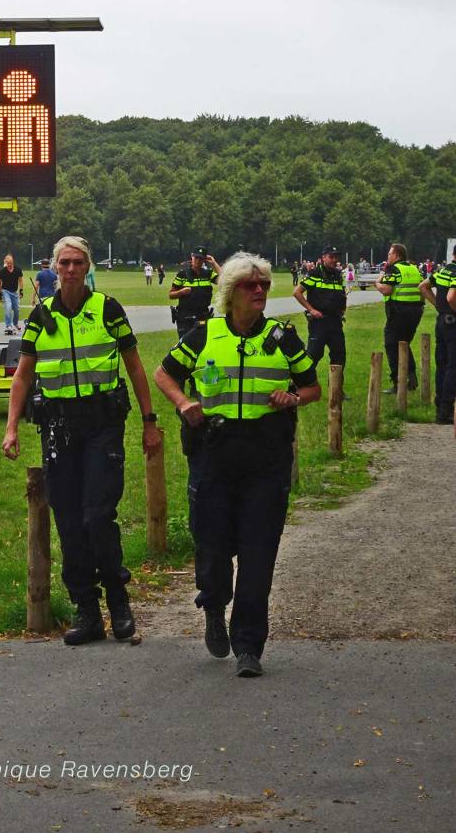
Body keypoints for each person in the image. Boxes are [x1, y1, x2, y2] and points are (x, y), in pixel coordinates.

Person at [153, 252, 319, 677]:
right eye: (250, 285)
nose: (260, 291)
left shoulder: (283, 337)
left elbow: (312, 387)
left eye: (263, 284)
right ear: (231, 293)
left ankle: (249, 646)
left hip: (266, 456)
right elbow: (164, 374)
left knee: (258, 551)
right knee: (211, 545)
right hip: (215, 452)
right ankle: (213, 605)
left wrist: (293, 398)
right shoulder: (204, 335)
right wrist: (185, 403)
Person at [3, 235, 162, 645]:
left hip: (101, 428)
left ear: (87, 267)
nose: (70, 270)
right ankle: (86, 609)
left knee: (98, 516)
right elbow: (22, 375)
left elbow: (135, 367)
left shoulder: (107, 309)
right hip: (59, 430)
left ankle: (117, 600)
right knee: (69, 521)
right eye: (64, 263)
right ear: (54, 268)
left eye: (77, 263)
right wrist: (11, 427)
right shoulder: (40, 316)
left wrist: (149, 421)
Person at [293, 244, 347, 387]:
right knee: (314, 355)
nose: (334, 260)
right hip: (319, 323)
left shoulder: (337, 274)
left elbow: (342, 294)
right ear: (323, 258)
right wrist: (311, 310)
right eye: (331, 257)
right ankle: (301, 384)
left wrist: (343, 308)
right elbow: (297, 293)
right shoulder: (315, 273)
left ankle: (336, 389)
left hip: (335, 322)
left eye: (336, 257)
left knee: (339, 355)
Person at [375, 243, 424, 393]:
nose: (388, 256)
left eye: (390, 254)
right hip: (416, 311)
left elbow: (387, 290)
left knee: (391, 344)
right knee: (404, 343)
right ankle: (411, 375)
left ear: (396, 255)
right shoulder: (414, 269)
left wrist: (377, 283)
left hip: (398, 311)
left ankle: (398, 381)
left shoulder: (394, 269)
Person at [420, 243, 456, 425]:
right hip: (453, 322)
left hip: (442, 321)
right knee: (453, 366)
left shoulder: (443, 271)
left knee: (442, 364)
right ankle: (446, 409)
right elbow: (451, 296)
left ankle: (439, 404)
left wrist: (438, 306)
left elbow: (423, 286)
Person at [168, 247, 221, 340]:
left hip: (203, 315)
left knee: (202, 345)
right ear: (192, 257)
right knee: (185, 344)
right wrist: (181, 292)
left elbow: (225, 280)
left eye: (200, 259)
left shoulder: (208, 274)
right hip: (185, 317)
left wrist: (214, 263)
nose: (197, 261)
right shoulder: (182, 274)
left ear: (204, 260)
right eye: (196, 258)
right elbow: (171, 294)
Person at [0, 254, 24, 336]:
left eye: (10, 263)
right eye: (7, 263)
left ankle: (15, 323)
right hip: (5, 291)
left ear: (13, 262)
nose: (9, 265)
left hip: (14, 292)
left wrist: (21, 291)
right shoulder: (2, 271)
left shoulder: (18, 270)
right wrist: (0, 294)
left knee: (16, 310)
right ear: (5, 263)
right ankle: (8, 325)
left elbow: (20, 281)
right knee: (8, 307)